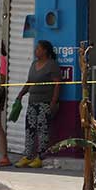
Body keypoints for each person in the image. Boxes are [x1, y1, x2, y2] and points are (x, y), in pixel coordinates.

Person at [14, 40, 60, 168]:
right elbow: (29, 82)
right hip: (32, 102)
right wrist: (21, 94)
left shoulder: (52, 65)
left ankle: (40, 156)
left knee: (42, 129)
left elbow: (57, 85)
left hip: (45, 102)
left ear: (45, 51)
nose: (36, 51)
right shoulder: (34, 64)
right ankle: (28, 155)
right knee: (30, 129)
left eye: (38, 49)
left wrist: (53, 101)